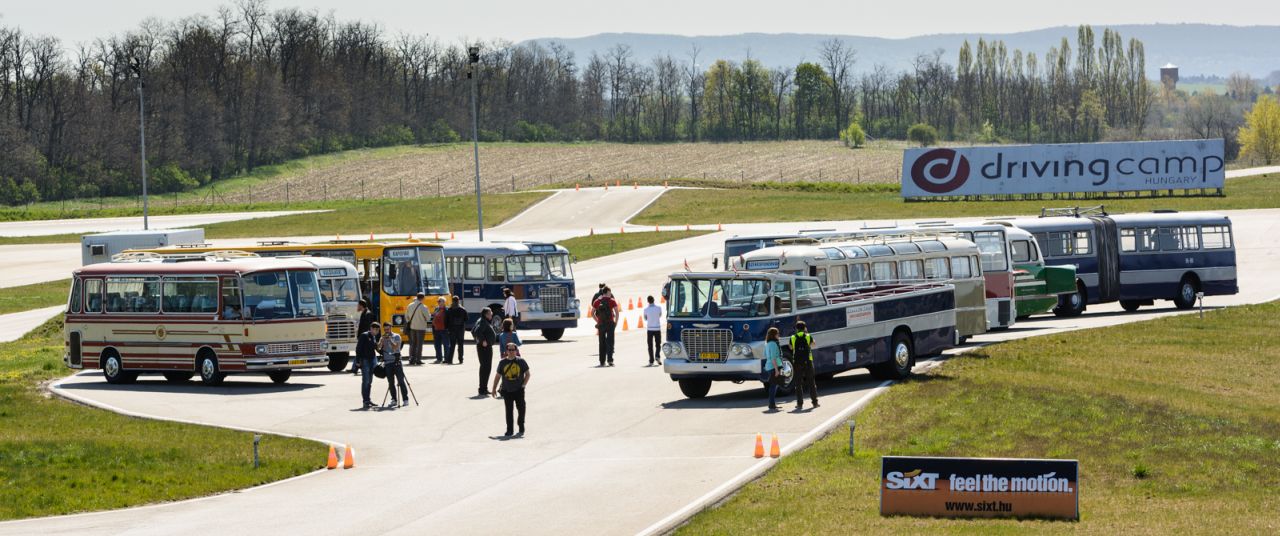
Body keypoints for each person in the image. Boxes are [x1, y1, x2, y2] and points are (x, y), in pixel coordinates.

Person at [490, 343, 530, 437]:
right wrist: (493, 389)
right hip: (507, 390)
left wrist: (523, 385)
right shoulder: (502, 362)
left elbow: (528, 374)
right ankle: (509, 430)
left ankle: (521, 426)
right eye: (509, 350)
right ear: (506, 351)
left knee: (521, 409)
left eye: (513, 350)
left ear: (516, 351)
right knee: (509, 411)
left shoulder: (521, 361)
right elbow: (497, 376)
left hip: (519, 390)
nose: (511, 352)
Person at [789, 321, 819, 410]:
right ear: (805, 327)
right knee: (811, 382)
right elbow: (814, 344)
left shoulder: (793, 337)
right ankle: (815, 403)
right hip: (808, 361)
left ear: (797, 329)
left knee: (798, 384)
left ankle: (799, 404)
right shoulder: (808, 336)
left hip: (797, 362)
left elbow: (790, 347)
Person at [472, 308, 498, 397]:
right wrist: (482, 341)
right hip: (484, 348)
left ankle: (484, 388)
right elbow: (476, 332)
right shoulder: (483, 321)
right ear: (486, 314)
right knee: (485, 368)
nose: (492, 315)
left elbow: (473, 331)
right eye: (491, 314)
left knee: (485, 368)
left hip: (485, 347)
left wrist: (479, 340)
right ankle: (482, 389)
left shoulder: (482, 320)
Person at [380, 325, 408, 407]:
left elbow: (396, 347)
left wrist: (390, 340)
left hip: (396, 362)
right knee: (390, 383)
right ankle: (394, 399)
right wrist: (381, 342)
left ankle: (405, 399)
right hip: (387, 363)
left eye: (388, 329)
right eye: (385, 330)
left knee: (401, 381)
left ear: (391, 328)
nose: (386, 331)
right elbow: (378, 347)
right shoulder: (383, 337)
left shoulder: (396, 336)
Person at [355, 321, 381, 409]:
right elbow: (358, 349)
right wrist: (358, 361)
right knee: (365, 381)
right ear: (370, 329)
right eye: (374, 329)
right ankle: (365, 401)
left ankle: (368, 399)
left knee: (370, 381)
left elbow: (376, 348)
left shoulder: (374, 337)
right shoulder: (364, 335)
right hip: (365, 360)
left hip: (372, 359)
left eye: (377, 330)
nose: (376, 331)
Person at [592, 287, 619, 367]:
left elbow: (592, 313)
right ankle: (610, 360)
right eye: (610, 292)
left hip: (601, 324)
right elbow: (617, 312)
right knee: (610, 342)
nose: (610, 294)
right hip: (610, 323)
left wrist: (597, 321)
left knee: (601, 343)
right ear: (606, 292)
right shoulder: (612, 301)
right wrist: (615, 322)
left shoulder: (597, 301)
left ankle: (602, 361)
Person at [404, 292, 430, 365]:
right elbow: (428, 318)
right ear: (423, 298)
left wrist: (410, 321)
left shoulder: (410, 305)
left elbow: (406, 317)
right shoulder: (423, 307)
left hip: (412, 327)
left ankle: (412, 359)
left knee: (413, 344)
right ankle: (418, 360)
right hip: (421, 328)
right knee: (419, 344)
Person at [763, 327, 785, 411]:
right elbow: (773, 358)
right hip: (773, 367)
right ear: (774, 335)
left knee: (774, 385)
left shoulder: (767, 343)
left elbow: (765, 354)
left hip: (769, 366)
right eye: (777, 333)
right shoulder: (773, 344)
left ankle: (772, 404)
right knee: (773, 386)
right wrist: (776, 369)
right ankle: (771, 404)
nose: (778, 335)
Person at [351, 299, 376, 374]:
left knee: (362, 352)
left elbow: (367, 327)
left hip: (365, 338)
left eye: (358, 305)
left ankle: (357, 368)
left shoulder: (367, 314)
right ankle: (355, 367)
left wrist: (364, 337)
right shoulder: (364, 313)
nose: (357, 307)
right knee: (360, 351)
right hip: (363, 337)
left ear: (361, 306)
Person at [445, 295, 468, 364]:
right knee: (460, 345)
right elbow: (466, 319)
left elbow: (446, 321)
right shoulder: (463, 309)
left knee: (452, 346)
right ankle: (460, 359)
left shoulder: (449, 310)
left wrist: (447, 328)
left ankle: (450, 359)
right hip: (460, 330)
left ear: (452, 301)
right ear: (458, 301)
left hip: (452, 330)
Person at [643, 295, 663, 366]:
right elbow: (660, 315)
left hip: (650, 329)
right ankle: (657, 356)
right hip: (657, 328)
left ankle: (651, 361)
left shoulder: (646, 309)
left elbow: (645, 318)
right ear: (654, 300)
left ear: (648, 301)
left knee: (650, 345)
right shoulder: (659, 308)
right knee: (658, 344)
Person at [431, 297, 449, 364]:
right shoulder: (436, 309)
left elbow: (449, 320)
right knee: (437, 345)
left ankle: (446, 358)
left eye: (440, 301)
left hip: (444, 330)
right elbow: (433, 318)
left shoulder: (447, 310)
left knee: (446, 344)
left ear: (444, 302)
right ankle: (439, 358)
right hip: (436, 330)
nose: (438, 302)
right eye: (438, 301)